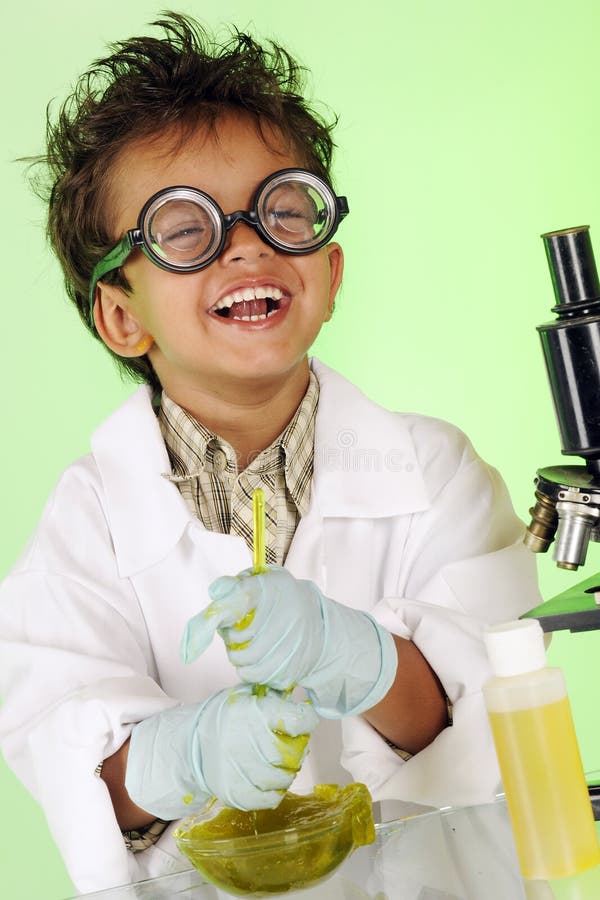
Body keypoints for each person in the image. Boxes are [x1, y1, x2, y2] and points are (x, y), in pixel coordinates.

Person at [0, 12, 541, 894]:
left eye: (283, 208)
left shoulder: (435, 472)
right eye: (185, 228)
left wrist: (357, 657)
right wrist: (177, 756)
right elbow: (67, 756)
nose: (246, 242)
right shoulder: (90, 517)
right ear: (122, 315)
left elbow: (490, 712)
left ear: (329, 269)